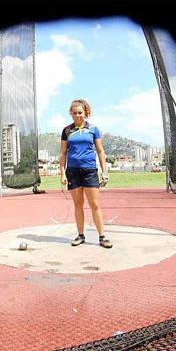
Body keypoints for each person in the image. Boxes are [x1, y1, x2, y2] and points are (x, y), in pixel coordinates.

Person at [59, 99, 113, 249]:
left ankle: (102, 237)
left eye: (80, 113)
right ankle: (80, 235)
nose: (77, 116)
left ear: (86, 112)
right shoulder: (66, 131)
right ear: (71, 114)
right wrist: (62, 173)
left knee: (95, 204)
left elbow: (101, 151)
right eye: (74, 113)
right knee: (78, 204)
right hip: (73, 172)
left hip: (89, 171)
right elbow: (63, 153)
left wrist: (105, 171)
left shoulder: (94, 129)